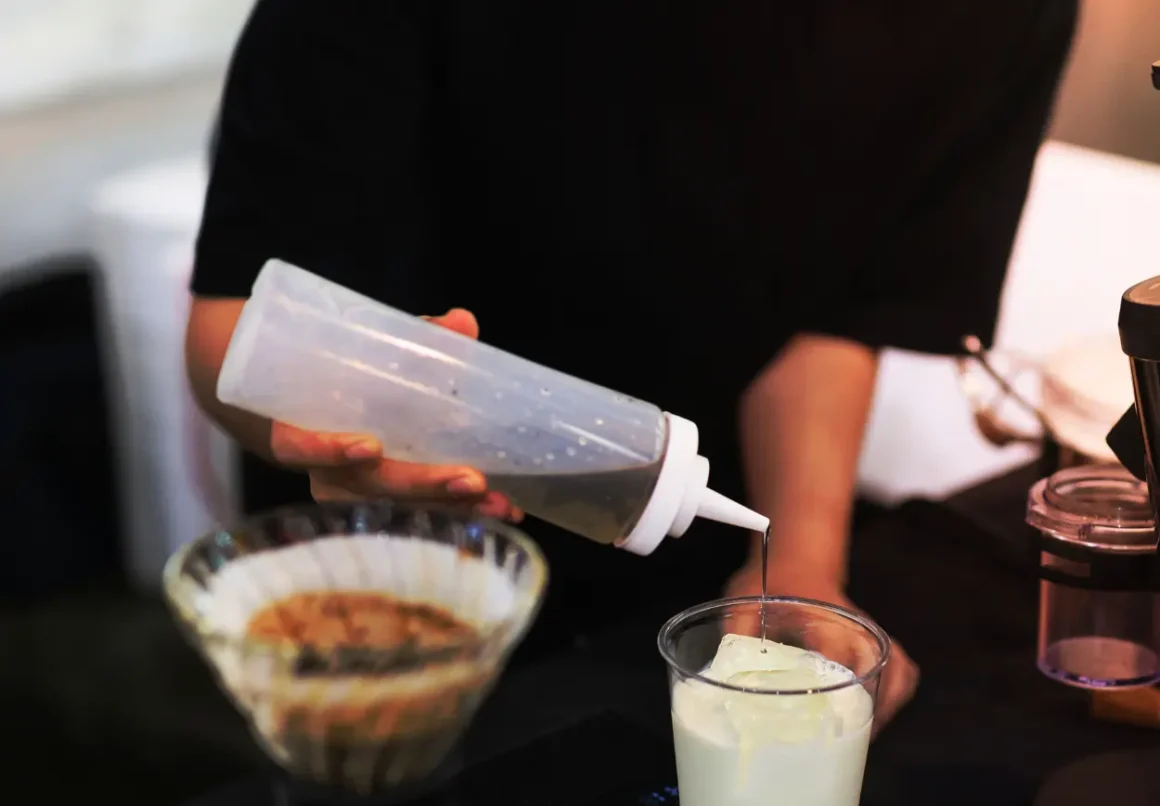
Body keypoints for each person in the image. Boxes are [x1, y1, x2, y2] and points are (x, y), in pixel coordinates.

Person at [186, 0, 1077, 728]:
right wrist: (353, 429)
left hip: (665, 579)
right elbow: (239, 333)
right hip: (376, 597)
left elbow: (831, 308)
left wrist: (797, 562)